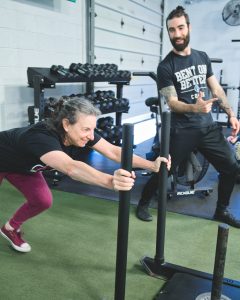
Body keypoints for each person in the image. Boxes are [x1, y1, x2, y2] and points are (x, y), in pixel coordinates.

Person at [0, 97, 170, 253]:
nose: (90, 135)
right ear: (66, 124)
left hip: (24, 167)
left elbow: (113, 151)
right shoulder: (41, 137)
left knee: (42, 200)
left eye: (93, 129)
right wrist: (110, 181)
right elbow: (71, 168)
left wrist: (152, 165)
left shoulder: (80, 134)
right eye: (86, 129)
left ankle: (10, 228)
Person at [136, 6, 240, 228]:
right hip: (181, 130)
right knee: (163, 169)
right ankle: (143, 203)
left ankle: (221, 210)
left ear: (188, 27)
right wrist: (195, 108)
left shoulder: (202, 58)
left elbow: (217, 89)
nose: (177, 34)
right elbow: (171, 102)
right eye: (172, 30)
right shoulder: (165, 66)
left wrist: (231, 113)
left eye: (180, 28)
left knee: (231, 167)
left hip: (207, 127)